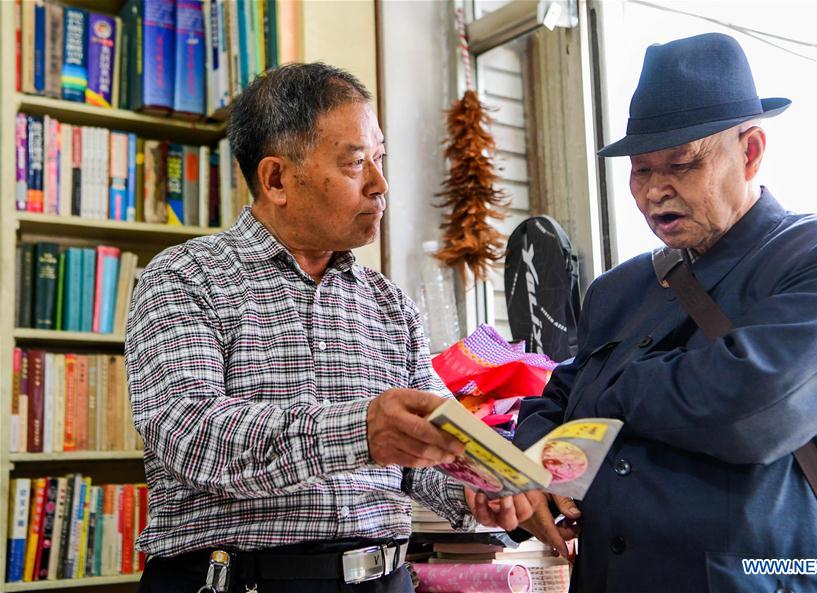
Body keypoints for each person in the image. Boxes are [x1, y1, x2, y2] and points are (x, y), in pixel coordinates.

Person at [125, 62, 535, 593]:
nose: (380, 184)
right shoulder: (185, 278)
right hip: (238, 582)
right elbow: (194, 438)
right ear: (276, 179)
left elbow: (426, 449)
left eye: (380, 159)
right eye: (355, 163)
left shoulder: (390, 305)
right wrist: (361, 431)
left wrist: (476, 488)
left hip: (384, 581)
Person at [513, 32, 817, 592]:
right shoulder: (617, 291)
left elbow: (755, 408)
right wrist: (536, 472)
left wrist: (612, 396)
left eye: (682, 164)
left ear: (751, 151)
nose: (653, 192)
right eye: (641, 171)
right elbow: (553, 403)